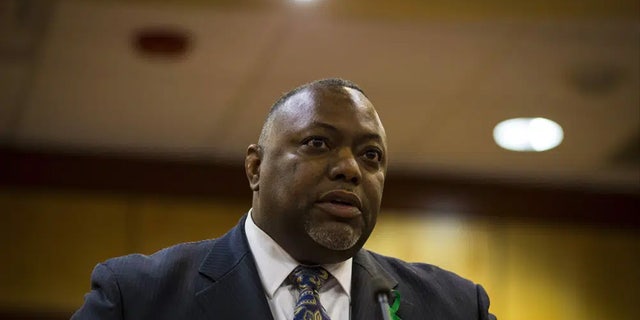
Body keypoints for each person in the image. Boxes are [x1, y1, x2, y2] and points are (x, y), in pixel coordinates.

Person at [72, 78, 496, 319]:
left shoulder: (454, 309)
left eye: (371, 155)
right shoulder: (138, 298)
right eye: (317, 143)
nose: (350, 168)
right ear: (255, 169)